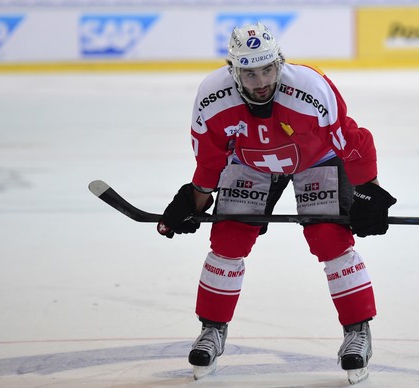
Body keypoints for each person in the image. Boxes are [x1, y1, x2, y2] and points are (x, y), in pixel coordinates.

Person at [157, 23, 396, 384]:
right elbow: (209, 160)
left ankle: (357, 332)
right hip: (250, 163)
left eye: (268, 68)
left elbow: (353, 141)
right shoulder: (212, 96)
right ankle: (212, 331)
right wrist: (195, 199)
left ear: (279, 62)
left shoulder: (310, 88)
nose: (260, 81)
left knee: (331, 238)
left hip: (317, 159)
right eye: (249, 72)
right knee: (227, 239)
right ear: (233, 69)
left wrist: (369, 194)